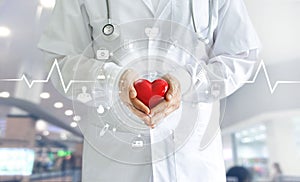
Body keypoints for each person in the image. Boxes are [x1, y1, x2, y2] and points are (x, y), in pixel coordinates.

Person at [38, 0, 261, 181]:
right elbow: (59, 61)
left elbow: (240, 55)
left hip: (194, 166)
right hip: (115, 165)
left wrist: (186, 82)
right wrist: (113, 80)